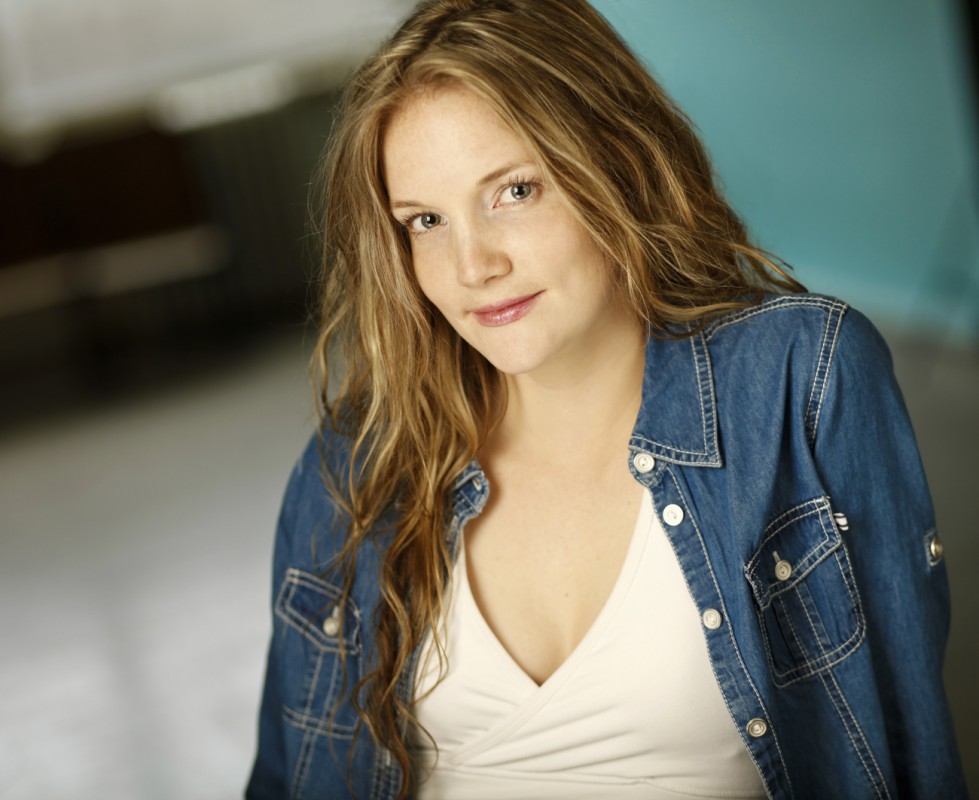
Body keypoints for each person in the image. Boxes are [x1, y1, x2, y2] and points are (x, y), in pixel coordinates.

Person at [245, 1, 967, 798]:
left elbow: (907, 748)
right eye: (424, 221)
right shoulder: (357, 466)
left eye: (515, 190)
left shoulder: (797, 378)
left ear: (616, 162)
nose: (472, 265)